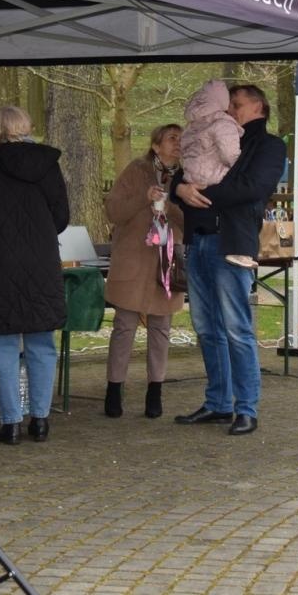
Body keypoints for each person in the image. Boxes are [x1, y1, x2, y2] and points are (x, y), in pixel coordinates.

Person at [172, 84, 287, 436]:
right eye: (228, 103)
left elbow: (252, 187)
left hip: (231, 242)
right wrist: (179, 188)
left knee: (237, 328)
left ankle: (246, 408)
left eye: (237, 104)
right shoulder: (211, 128)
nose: (230, 109)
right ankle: (218, 403)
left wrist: (197, 193)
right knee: (206, 328)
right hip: (198, 241)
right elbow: (184, 168)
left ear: (259, 106)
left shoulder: (268, 145)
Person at [0, 106, 71, 444]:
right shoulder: (49, 168)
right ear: (27, 127)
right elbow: (61, 218)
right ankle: (40, 419)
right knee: (41, 342)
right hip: (41, 263)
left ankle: (10, 423)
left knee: (2, 342)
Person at [102, 123, 186, 419]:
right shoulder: (136, 170)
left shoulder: (186, 177)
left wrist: (169, 206)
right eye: (172, 138)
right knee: (124, 327)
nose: (178, 143)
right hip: (133, 261)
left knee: (161, 329)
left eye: (181, 139)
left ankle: (155, 392)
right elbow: (113, 210)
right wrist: (144, 198)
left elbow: (192, 222)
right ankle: (114, 390)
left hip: (166, 265)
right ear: (155, 145)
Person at [179, 79, 251, 268]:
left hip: (192, 178)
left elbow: (184, 150)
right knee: (241, 200)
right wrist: (242, 165)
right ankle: (239, 250)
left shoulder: (192, 125)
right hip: (213, 176)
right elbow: (230, 155)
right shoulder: (222, 123)